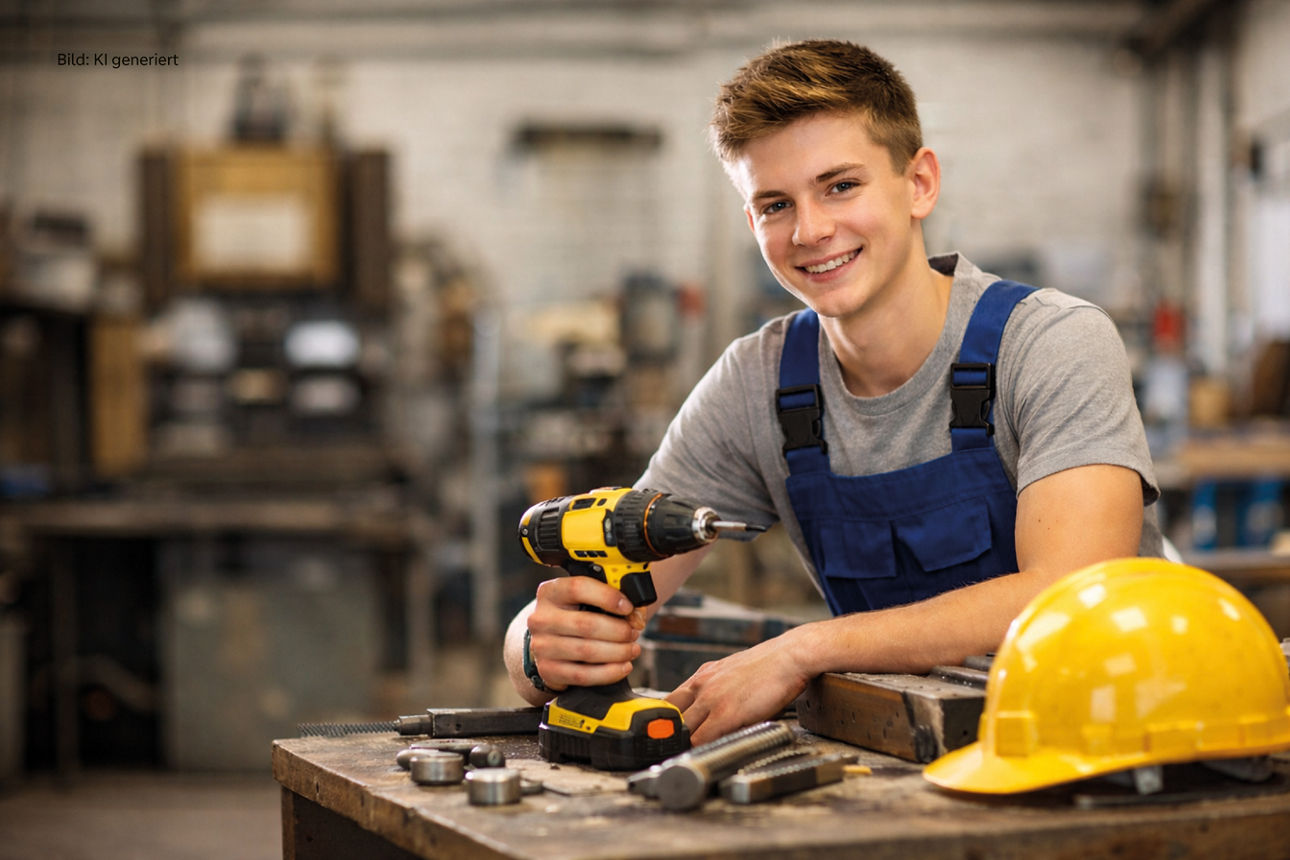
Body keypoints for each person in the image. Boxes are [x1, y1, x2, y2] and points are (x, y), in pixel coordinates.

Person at [503, 39, 1162, 745]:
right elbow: (611, 577)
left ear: (919, 184)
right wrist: (539, 646)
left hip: (1118, 743)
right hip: (914, 759)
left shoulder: (1050, 342)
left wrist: (805, 649)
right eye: (775, 204)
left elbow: (1066, 595)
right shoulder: (758, 384)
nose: (812, 231)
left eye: (840, 185)